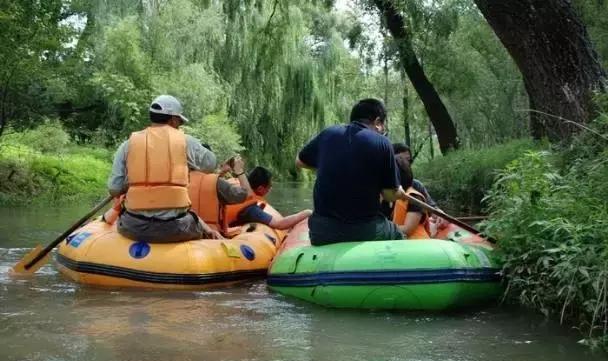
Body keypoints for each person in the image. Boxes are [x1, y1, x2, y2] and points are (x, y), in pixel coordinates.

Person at [107, 94, 223, 242]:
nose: (179, 125)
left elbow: (114, 188)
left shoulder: (128, 144)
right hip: (176, 227)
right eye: (179, 121)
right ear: (173, 119)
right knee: (194, 222)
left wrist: (134, 181)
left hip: (134, 227)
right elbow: (210, 165)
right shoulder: (185, 141)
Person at [296, 98, 408, 245]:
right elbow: (388, 195)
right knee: (399, 235)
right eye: (383, 127)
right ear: (378, 122)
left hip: (322, 233)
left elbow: (299, 161)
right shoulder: (383, 143)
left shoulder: (327, 133)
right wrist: (398, 192)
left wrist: (330, 165)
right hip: (366, 231)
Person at [226, 166, 312, 230]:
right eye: (269, 186)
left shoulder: (235, 183)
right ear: (260, 188)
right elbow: (279, 224)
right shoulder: (251, 209)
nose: (271, 189)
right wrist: (306, 213)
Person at [391, 157, 430, 239]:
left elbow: (408, 229)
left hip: (418, 244)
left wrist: (385, 230)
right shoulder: (395, 197)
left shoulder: (414, 197)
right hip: (402, 242)